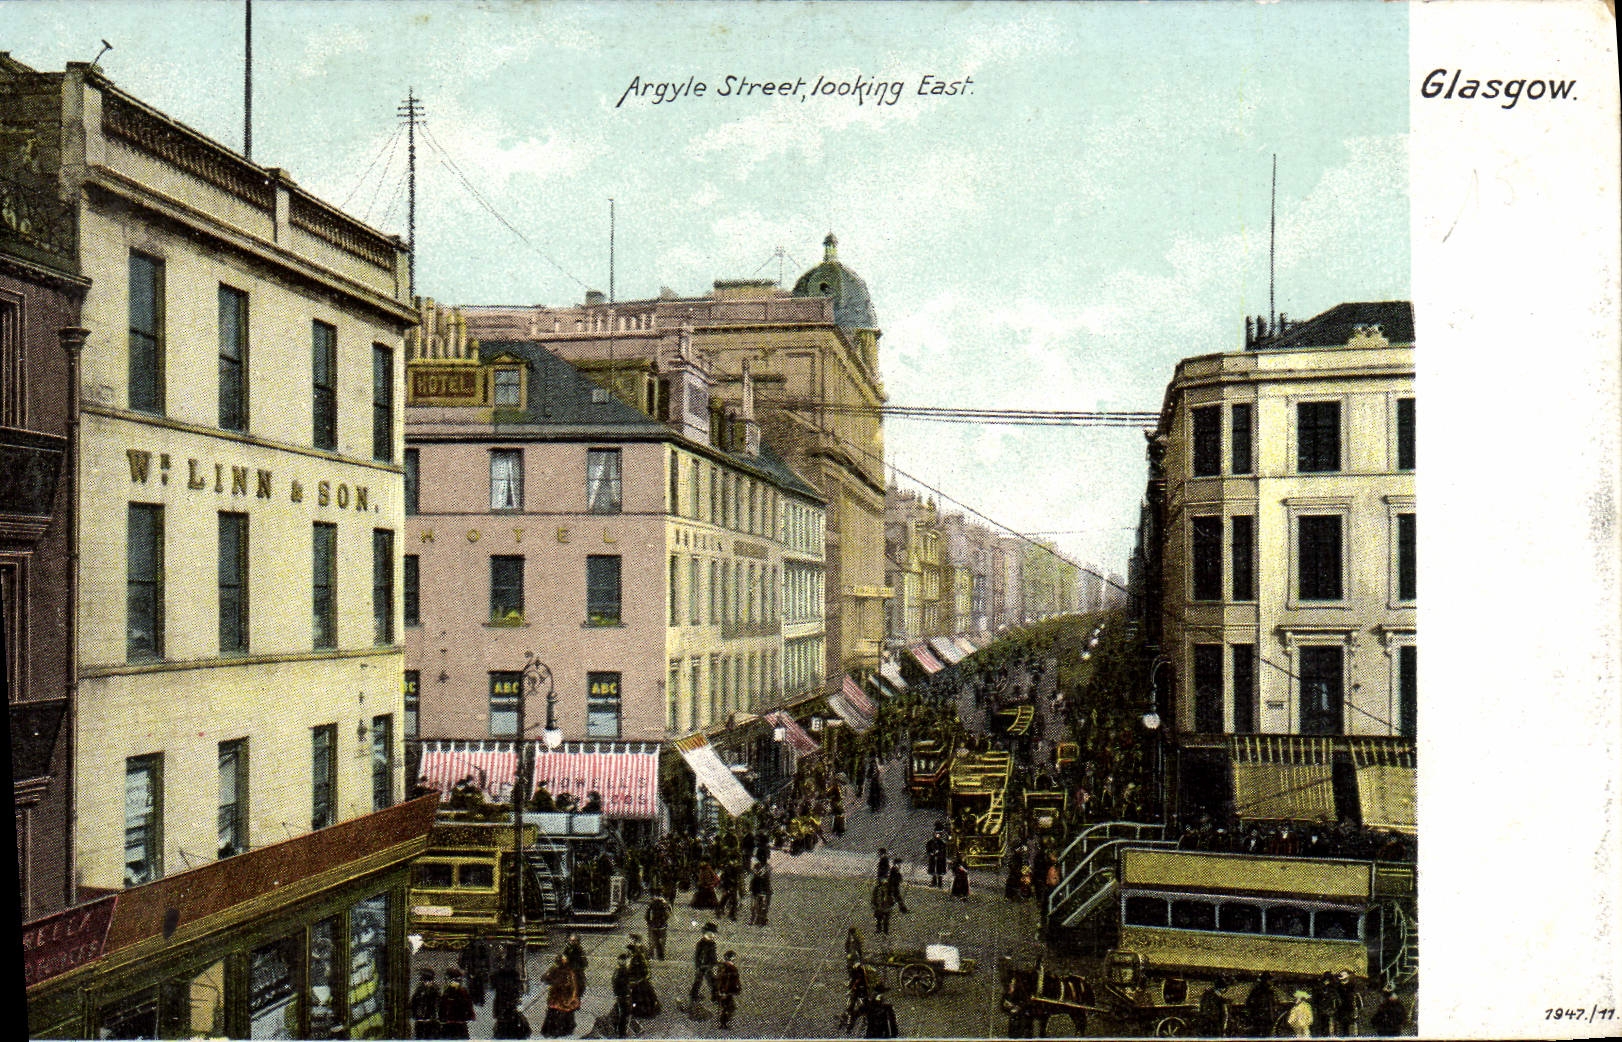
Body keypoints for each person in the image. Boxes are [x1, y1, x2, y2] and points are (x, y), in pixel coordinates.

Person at [541, 954, 581, 1037]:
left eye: (564, 960)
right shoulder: (555, 970)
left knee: (565, 1013)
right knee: (555, 1013)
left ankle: (564, 1031)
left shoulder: (570, 973)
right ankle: (553, 1031)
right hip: (556, 996)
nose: (563, 961)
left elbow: (574, 987)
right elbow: (544, 978)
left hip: (566, 996)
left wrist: (572, 997)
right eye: (562, 960)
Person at [688, 922, 720, 1010]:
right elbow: (697, 956)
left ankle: (715, 997)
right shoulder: (701, 944)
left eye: (712, 934)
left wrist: (714, 962)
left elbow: (713, 955)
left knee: (712, 981)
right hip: (702, 965)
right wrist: (698, 965)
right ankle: (693, 995)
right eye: (709, 934)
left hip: (708, 966)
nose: (711, 936)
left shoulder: (712, 944)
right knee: (698, 981)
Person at [438, 967, 475, 1040]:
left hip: (454, 1024)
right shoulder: (457, 991)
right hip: (455, 1024)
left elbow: (443, 1006)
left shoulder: (451, 991)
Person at [460, 933, 493, 1006]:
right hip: (477, 970)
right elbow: (487, 960)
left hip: (475, 971)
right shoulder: (481, 947)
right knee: (477, 986)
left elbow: (463, 960)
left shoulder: (469, 948)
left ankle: (476, 1000)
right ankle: (477, 1000)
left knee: (475, 986)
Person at [713, 950, 742, 1029]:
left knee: (726, 1007)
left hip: (723, 990)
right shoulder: (731, 968)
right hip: (727, 991)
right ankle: (723, 1024)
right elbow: (729, 980)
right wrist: (724, 991)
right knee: (729, 1007)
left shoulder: (722, 967)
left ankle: (723, 1023)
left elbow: (718, 979)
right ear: (732, 958)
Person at [410, 968, 441, 1039]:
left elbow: (438, 1004)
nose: (427, 983)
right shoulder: (420, 989)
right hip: (421, 1020)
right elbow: (413, 1003)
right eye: (425, 981)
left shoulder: (435, 990)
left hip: (431, 1020)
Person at [1334, 970, 1362, 1036]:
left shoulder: (1353, 990)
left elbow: (1359, 1004)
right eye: (1342, 980)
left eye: (1344, 980)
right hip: (1341, 1015)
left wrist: (1356, 1013)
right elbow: (1336, 1004)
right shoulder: (1338, 990)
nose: (1342, 982)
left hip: (1351, 1015)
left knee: (1352, 1033)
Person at [749, 859, 773, 926]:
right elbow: (753, 876)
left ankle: (761, 919)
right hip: (757, 888)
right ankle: (754, 919)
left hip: (764, 888)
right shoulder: (756, 867)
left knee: (762, 905)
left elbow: (768, 878)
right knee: (754, 905)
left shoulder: (767, 868)